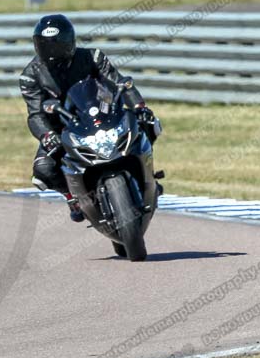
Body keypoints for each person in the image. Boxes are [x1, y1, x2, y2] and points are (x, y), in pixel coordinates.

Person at [19, 14, 158, 222]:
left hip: (103, 115)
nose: (52, 51)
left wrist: (138, 105)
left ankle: (147, 174)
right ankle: (72, 197)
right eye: (46, 45)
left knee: (146, 122)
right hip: (62, 128)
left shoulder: (93, 57)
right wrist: (47, 135)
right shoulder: (30, 75)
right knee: (43, 169)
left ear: (70, 41)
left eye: (57, 44)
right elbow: (36, 114)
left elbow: (119, 82)